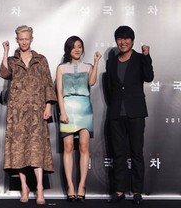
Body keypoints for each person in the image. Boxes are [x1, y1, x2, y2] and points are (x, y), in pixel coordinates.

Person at [0, 25, 57, 205]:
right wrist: (6, 51)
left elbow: (48, 83)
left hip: (37, 111)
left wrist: (48, 106)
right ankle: (24, 188)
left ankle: (39, 188)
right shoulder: (12, 60)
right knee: (19, 151)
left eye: (27, 38)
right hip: (17, 113)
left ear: (32, 39)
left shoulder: (41, 60)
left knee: (37, 149)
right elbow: (4, 73)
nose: (24, 42)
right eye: (21, 39)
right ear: (17, 40)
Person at [106, 26, 154, 205]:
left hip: (135, 112)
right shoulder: (111, 62)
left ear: (132, 41)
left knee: (136, 153)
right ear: (116, 41)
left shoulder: (140, 59)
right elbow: (111, 88)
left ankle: (137, 191)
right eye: (119, 38)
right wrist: (114, 107)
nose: (122, 42)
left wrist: (147, 56)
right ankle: (119, 191)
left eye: (126, 39)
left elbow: (149, 77)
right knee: (118, 153)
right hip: (116, 114)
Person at [56, 36, 101, 202]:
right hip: (67, 108)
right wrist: (62, 112)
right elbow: (59, 92)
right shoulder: (61, 68)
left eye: (79, 47)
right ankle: (70, 186)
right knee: (67, 147)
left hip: (84, 109)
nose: (77, 49)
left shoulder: (88, 67)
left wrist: (96, 63)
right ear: (68, 49)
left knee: (84, 146)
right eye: (73, 47)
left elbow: (92, 81)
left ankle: (82, 185)